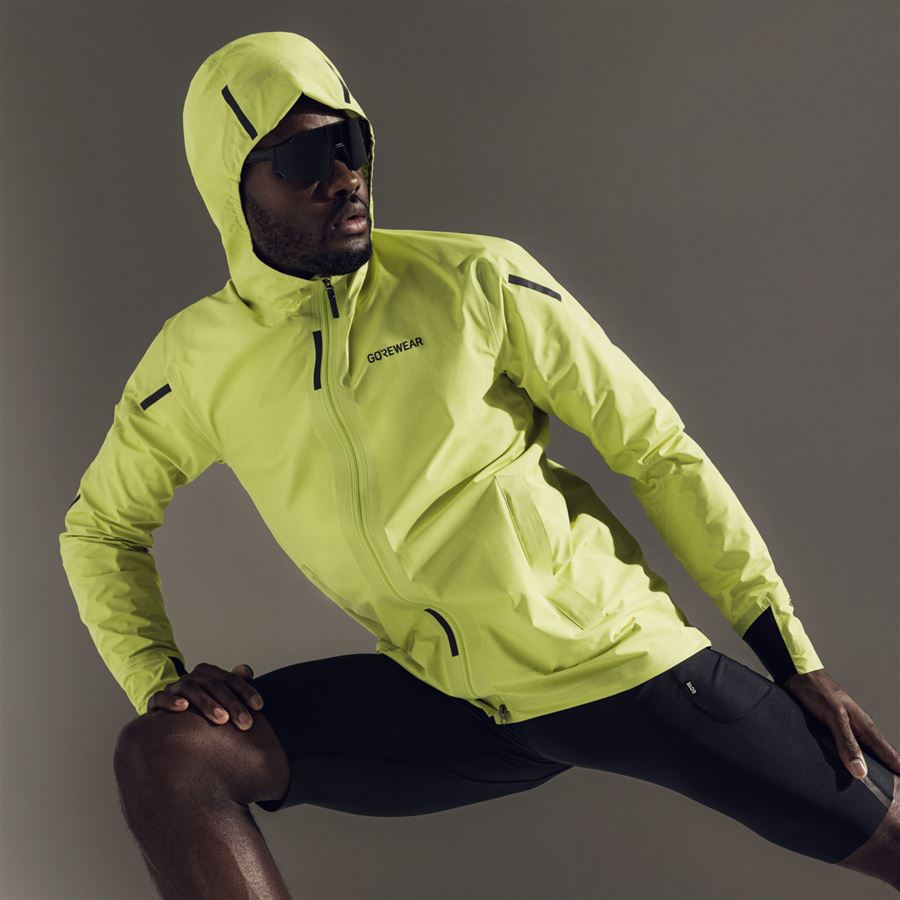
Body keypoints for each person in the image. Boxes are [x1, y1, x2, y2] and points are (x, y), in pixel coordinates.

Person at [58, 30, 899, 900]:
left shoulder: (475, 279)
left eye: (351, 144)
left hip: (607, 660)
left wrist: (792, 657)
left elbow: (657, 452)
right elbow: (100, 529)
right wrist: (160, 680)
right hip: (446, 698)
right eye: (305, 157)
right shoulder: (196, 360)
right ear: (231, 184)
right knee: (171, 755)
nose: (344, 177)